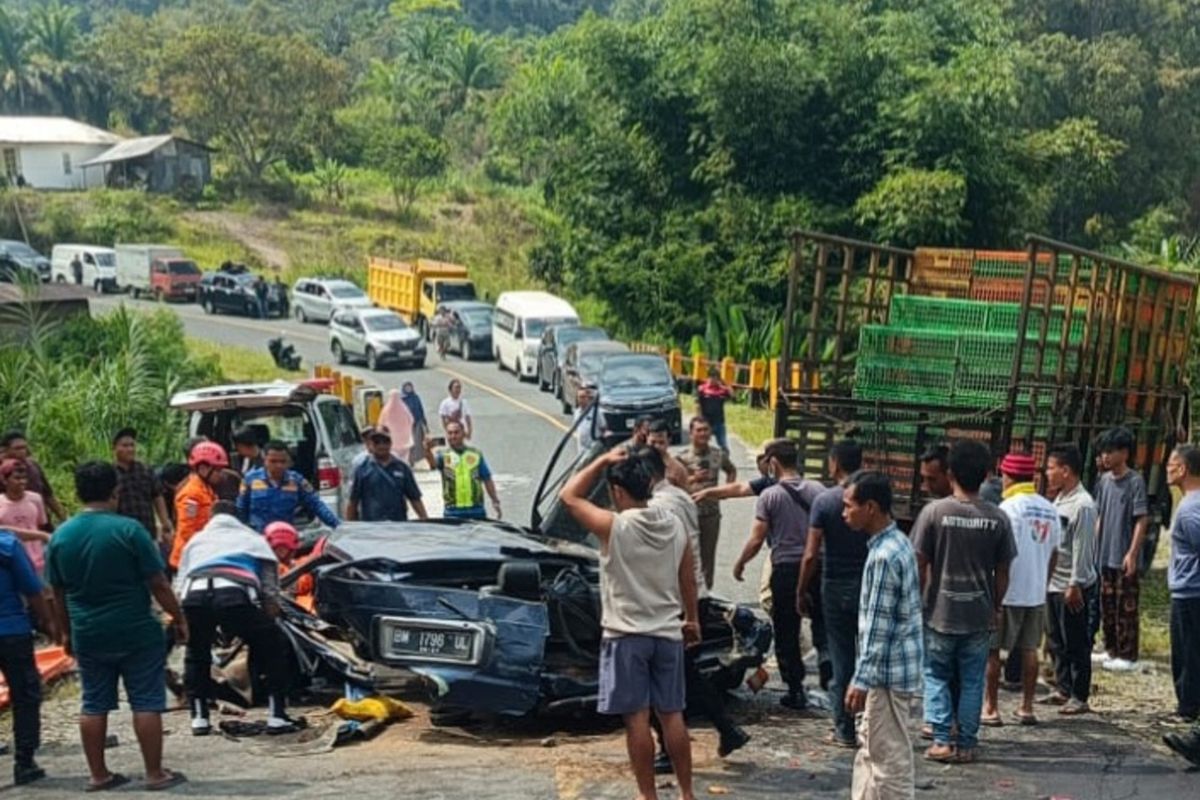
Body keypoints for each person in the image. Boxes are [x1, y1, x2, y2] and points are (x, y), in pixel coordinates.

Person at [559, 448, 699, 800]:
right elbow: (688, 578)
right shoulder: (674, 524)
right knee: (673, 716)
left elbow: (568, 495)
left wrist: (601, 460)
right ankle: (687, 793)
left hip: (626, 636)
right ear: (649, 485)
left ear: (618, 493)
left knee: (637, 720)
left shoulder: (614, 526)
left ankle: (648, 796)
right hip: (667, 633)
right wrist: (692, 619)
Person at [46, 462, 188, 791]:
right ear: (116, 490)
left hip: (88, 633)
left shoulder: (61, 536)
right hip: (136, 630)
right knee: (146, 702)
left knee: (93, 703)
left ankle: (98, 775)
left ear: (78, 493)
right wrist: (179, 618)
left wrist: (65, 633)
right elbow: (158, 584)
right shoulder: (130, 530)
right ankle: (155, 774)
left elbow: (57, 593)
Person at [643, 446, 749, 770]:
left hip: (674, 599)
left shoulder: (657, 506)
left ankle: (669, 746)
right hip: (694, 596)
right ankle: (727, 729)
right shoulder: (681, 497)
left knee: (657, 677)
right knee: (685, 673)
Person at [912, 439, 1017, 764]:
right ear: (987, 475)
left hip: (940, 613)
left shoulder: (934, 513)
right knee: (973, 680)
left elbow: (919, 563)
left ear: (951, 472)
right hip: (978, 614)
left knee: (936, 675)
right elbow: (1002, 572)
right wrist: (995, 606)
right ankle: (968, 743)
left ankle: (942, 739)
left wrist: (919, 600)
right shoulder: (998, 519)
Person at [175, 501, 301, 736]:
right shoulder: (252, 539)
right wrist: (269, 614)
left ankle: (199, 718)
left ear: (212, 518)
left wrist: (179, 618)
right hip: (233, 594)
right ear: (238, 519)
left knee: (196, 653)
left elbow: (181, 579)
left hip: (194, 595)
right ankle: (277, 715)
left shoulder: (196, 540)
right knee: (272, 645)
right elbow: (269, 588)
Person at [843, 470, 923, 800]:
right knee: (870, 751)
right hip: (893, 671)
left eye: (849, 506)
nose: (844, 513)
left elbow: (878, 626)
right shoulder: (897, 543)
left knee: (888, 761)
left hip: (886, 675)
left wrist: (861, 679)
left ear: (871, 507)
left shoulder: (884, 556)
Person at [732, 439, 823, 710]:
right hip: (816, 564)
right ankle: (831, 679)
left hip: (785, 569)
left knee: (786, 630)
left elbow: (757, 539)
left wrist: (740, 563)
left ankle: (795, 689)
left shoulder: (770, 496)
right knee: (821, 624)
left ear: (773, 463)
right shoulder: (818, 489)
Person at [982, 453, 1061, 726]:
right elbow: (1054, 553)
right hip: (1036, 592)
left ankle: (991, 708)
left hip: (1009, 591)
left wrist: (995, 592)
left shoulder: (1007, 509)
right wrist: (1043, 582)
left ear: (1007, 476)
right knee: (1029, 650)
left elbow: (999, 556)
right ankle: (1026, 708)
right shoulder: (1049, 508)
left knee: (992, 651)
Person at [800, 440, 868, 747]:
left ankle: (844, 728)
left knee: (842, 658)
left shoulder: (826, 501)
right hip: (867, 584)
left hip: (834, 585)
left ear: (834, 463)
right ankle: (871, 723)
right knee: (868, 654)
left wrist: (801, 590)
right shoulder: (869, 500)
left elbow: (811, 554)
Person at [1041, 443, 1098, 715]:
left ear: (1066, 470)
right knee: (1056, 639)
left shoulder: (1083, 504)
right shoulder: (1059, 499)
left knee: (1076, 640)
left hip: (1072, 585)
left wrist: (1075, 583)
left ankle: (1079, 694)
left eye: (1051, 468)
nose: (1047, 473)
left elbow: (1083, 547)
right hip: (1054, 581)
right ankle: (1063, 688)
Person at [0, 522, 55, 785]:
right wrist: (48, 622)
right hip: (11, 630)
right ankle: (24, 760)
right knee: (24, 693)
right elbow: (33, 590)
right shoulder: (7, 545)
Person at [1095, 427, 1148, 672]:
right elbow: (1100, 516)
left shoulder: (1135, 481)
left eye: (1110, 451)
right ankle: (1110, 648)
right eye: (1103, 451)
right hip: (1105, 553)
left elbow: (1141, 519)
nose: (1105, 456)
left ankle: (1127, 654)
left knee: (1125, 604)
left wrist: (1132, 553)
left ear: (1124, 453)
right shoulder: (1104, 481)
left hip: (1123, 552)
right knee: (1106, 602)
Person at [677, 416, 736, 588]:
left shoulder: (717, 454)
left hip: (711, 514)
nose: (703, 434)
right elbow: (673, 482)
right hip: (687, 514)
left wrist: (728, 490)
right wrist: (694, 478)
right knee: (686, 556)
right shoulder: (681, 458)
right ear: (691, 433)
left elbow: (731, 470)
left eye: (706, 430)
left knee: (707, 557)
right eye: (699, 430)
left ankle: (706, 595)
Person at [237, 441, 340, 533]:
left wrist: (338, 526)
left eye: (282, 461)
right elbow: (241, 509)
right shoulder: (250, 480)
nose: (279, 465)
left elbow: (316, 505)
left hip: (285, 538)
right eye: (273, 461)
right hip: (258, 537)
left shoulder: (296, 481)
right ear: (265, 460)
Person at [1167, 445, 1200, 723]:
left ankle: (1187, 707)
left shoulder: (1190, 509)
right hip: (1188, 588)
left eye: (1171, 464)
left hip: (1190, 590)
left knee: (1187, 651)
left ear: (1183, 468)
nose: (1167, 469)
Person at [170, 442, 229, 573]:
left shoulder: (206, 490)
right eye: (218, 470)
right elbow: (187, 530)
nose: (221, 474)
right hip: (189, 558)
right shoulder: (191, 495)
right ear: (203, 468)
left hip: (201, 554)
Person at [347, 429, 428, 522]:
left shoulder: (402, 468)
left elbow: (415, 498)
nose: (382, 445)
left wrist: (425, 520)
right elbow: (353, 501)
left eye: (385, 441)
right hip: (372, 528)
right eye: (377, 442)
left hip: (398, 525)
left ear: (391, 443)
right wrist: (350, 527)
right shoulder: (362, 469)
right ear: (371, 444)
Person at [426, 421, 501, 520]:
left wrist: (495, 501)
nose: (453, 436)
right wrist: (427, 450)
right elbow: (433, 465)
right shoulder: (443, 456)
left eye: (456, 432)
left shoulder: (475, 454)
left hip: (476, 510)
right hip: (452, 511)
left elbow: (487, 479)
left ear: (463, 434)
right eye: (450, 433)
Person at [113, 428, 173, 545]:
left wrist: (165, 523)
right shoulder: (110, 474)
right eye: (124, 445)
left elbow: (158, 496)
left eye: (132, 445)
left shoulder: (145, 470)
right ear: (114, 448)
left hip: (147, 533)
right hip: (121, 535)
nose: (130, 449)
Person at [0, 431, 65, 523]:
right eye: (17, 448)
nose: (22, 451)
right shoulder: (3, 472)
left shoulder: (33, 467)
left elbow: (48, 495)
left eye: (24, 448)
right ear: (5, 450)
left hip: (39, 521)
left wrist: (63, 518)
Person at [0, 459, 50, 576]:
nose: (22, 482)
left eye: (24, 478)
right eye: (17, 478)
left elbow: (40, 524)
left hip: (38, 561)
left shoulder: (35, 499)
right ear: (5, 480)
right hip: (10, 562)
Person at [696, 367, 733, 453]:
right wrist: (698, 419)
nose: (713, 380)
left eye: (715, 378)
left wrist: (725, 384)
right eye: (711, 377)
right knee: (701, 445)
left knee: (723, 445)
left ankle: (725, 461)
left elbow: (732, 395)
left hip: (719, 421)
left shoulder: (722, 390)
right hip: (706, 422)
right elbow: (697, 404)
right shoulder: (702, 389)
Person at [646, 420, 689, 489]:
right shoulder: (639, 465)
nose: (657, 446)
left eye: (661, 442)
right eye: (653, 442)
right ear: (647, 439)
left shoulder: (678, 470)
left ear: (669, 441)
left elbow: (684, 496)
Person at [401, 382, 434, 469]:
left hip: (417, 424)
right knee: (409, 444)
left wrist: (425, 424)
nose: (409, 389)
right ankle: (409, 461)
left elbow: (420, 410)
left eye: (410, 387)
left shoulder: (416, 398)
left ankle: (416, 460)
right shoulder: (402, 400)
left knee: (418, 443)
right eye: (407, 387)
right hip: (406, 426)